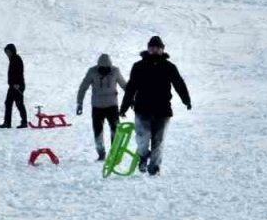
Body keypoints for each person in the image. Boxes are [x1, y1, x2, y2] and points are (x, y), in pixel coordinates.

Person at [119, 36, 192, 176]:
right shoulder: (138, 66)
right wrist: (124, 108)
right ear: (148, 48)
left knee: (158, 142)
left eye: (158, 47)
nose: (154, 49)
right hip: (142, 109)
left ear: (162, 49)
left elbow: (179, 84)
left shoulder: (169, 67)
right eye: (152, 47)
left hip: (163, 111)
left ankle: (154, 168)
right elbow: (131, 89)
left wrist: (186, 100)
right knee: (142, 138)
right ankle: (143, 158)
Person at [76, 53, 128, 160]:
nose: (104, 70)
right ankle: (101, 153)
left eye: (106, 68)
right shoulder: (92, 72)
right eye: (102, 68)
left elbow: (124, 85)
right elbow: (83, 87)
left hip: (112, 106)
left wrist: (132, 100)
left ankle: (114, 152)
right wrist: (79, 103)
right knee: (98, 131)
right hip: (97, 107)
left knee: (116, 130)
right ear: (98, 66)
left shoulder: (115, 71)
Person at [0, 44, 27, 129]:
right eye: (6, 52)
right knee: (8, 103)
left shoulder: (17, 59)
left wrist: (17, 84)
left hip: (18, 86)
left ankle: (24, 122)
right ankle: (7, 122)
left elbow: (19, 72)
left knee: (19, 104)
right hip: (12, 86)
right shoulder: (12, 59)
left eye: (8, 52)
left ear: (12, 51)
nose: (7, 54)